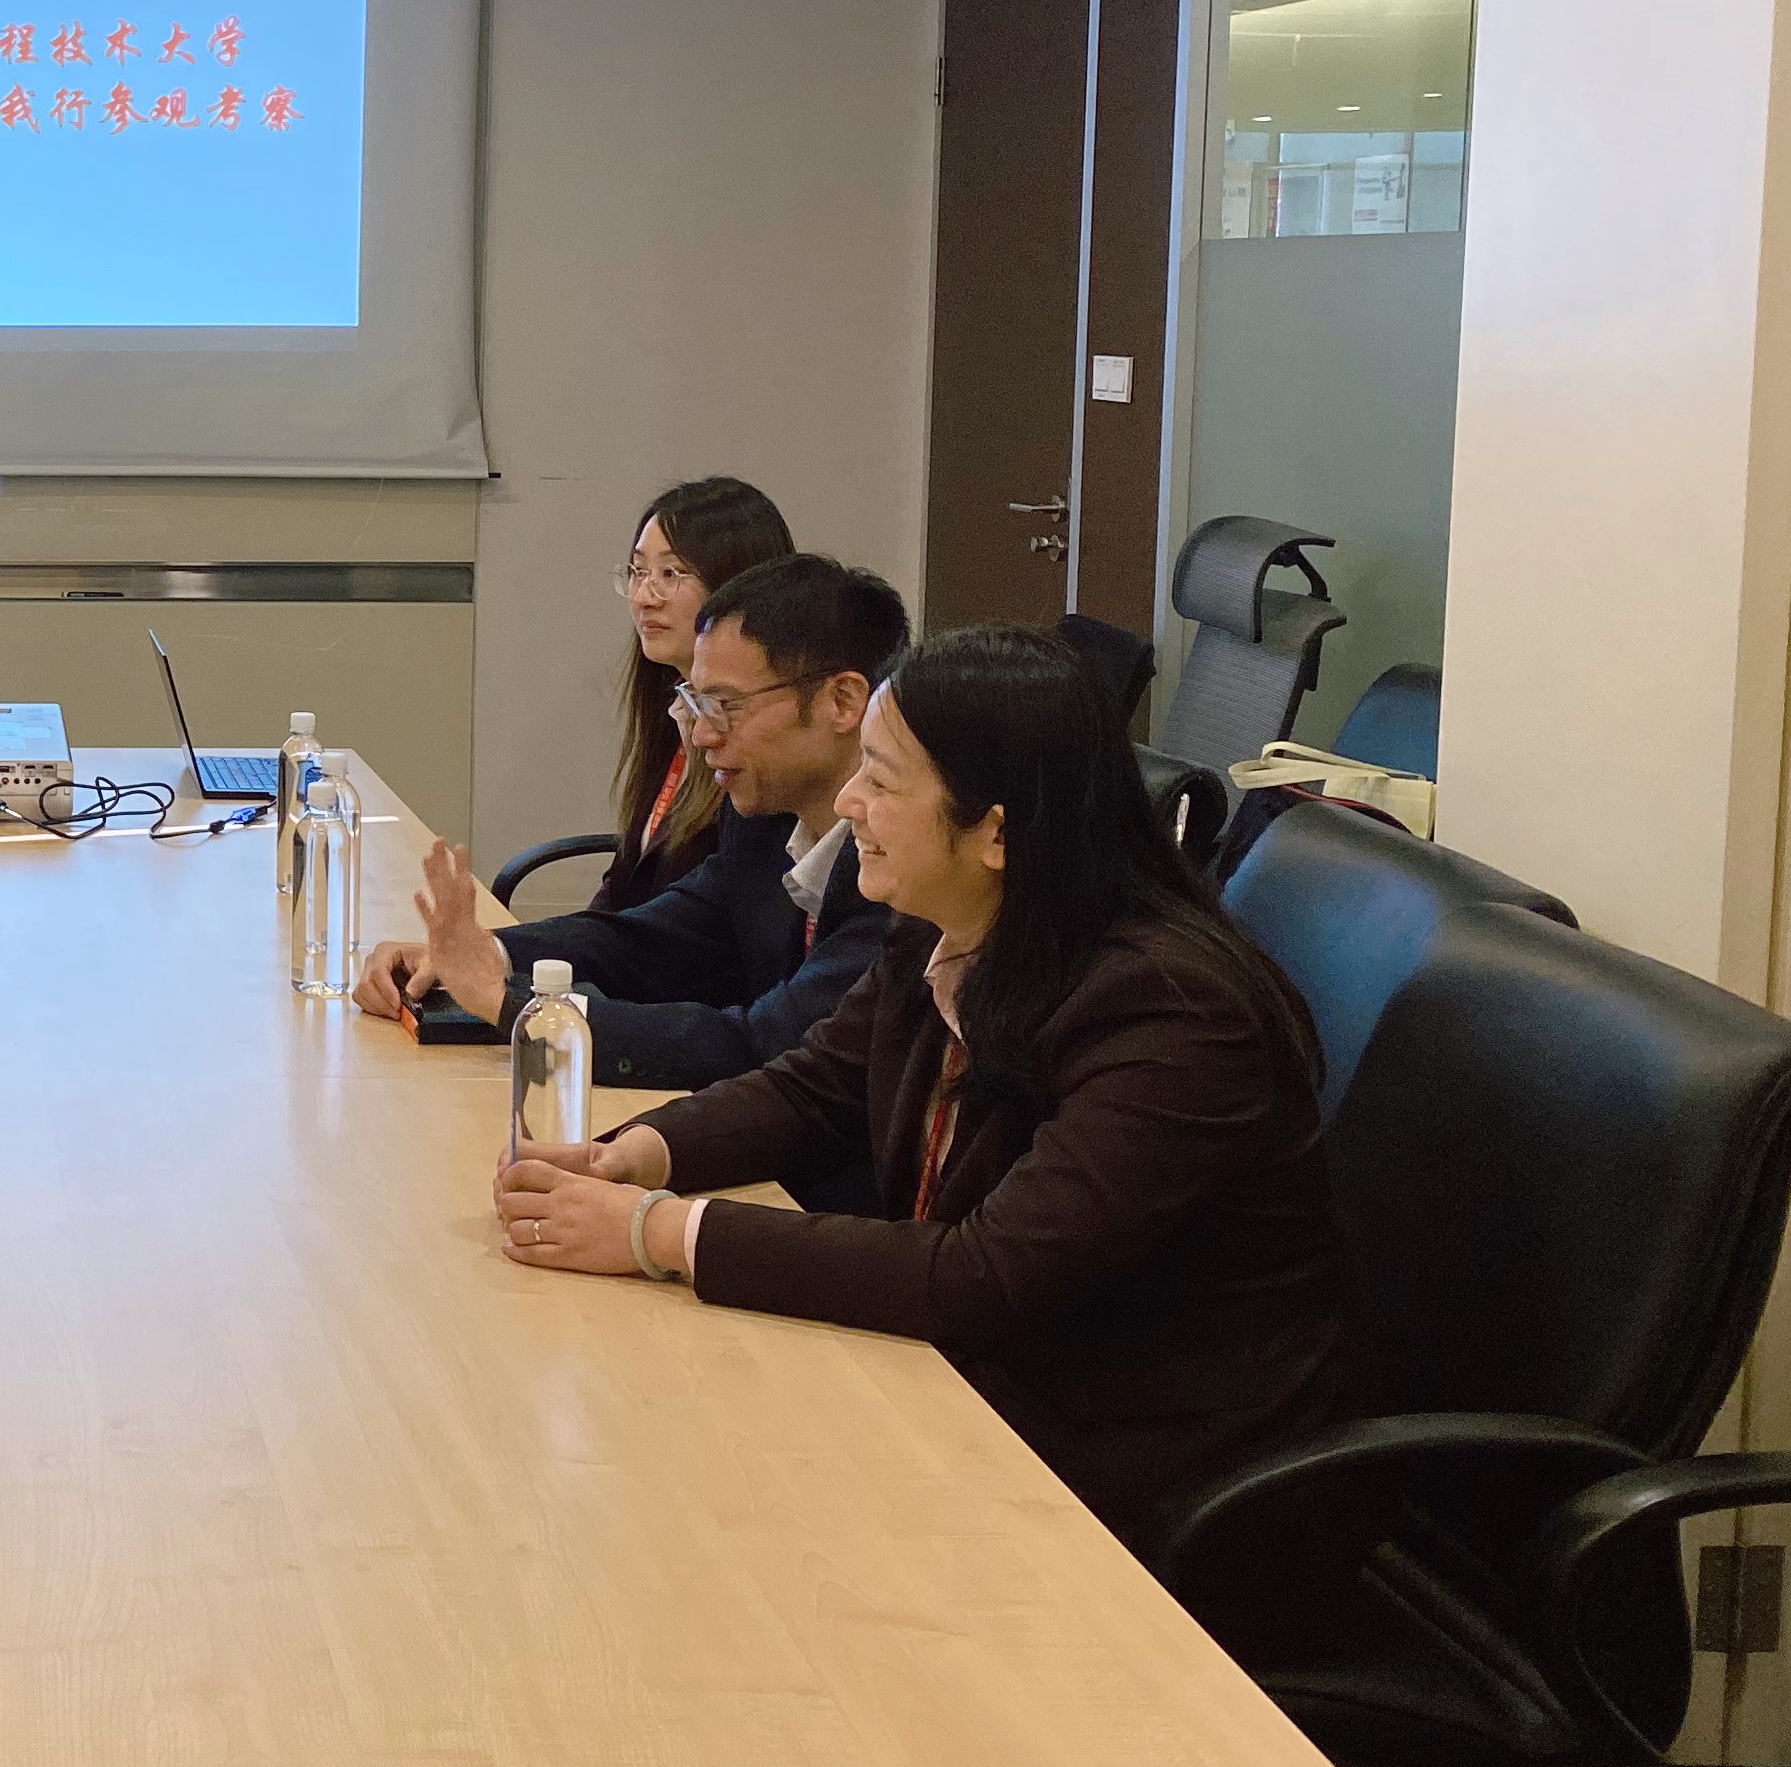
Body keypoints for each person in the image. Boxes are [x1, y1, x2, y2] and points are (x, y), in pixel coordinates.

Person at [490, 624, 1359, 1550]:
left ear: (995, 832)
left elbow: (984, 1275)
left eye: (881, 778)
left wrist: (656, 1233)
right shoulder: (948, 921)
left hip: (1129, 1471)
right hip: (969, 1387)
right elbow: (815, 1087)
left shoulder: (1174, 1015)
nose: (849, 802)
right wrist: (633, 1156)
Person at [358, 555, 907, 1131]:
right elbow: (652, 939)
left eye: (725, 706)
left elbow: (762, 1045)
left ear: (842, 702)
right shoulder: (766, 817)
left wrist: (519, 1007)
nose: (701, 734)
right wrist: (480, 953)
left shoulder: (900, 866)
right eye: (697, 703)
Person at [574, 477, 794, 915]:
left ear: (735, 585)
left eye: (670, 574)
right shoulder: (673, 706)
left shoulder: (763, 743)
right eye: (638, 572)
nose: (644, 597)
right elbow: (625, 882)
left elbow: (700, 925)